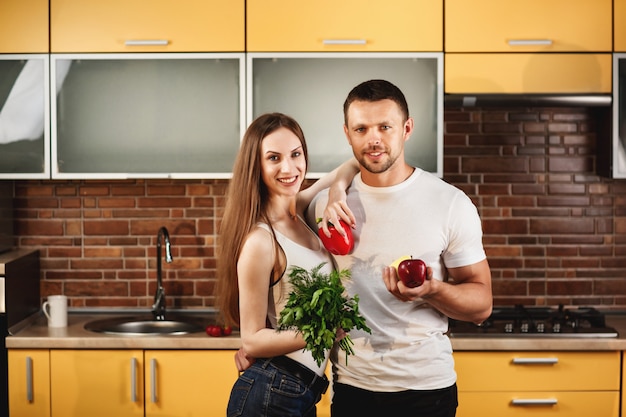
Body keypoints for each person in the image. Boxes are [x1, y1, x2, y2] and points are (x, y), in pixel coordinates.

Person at [306, 79, 493, 417]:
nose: (373, 138)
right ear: (347, 134)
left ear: (406, 129)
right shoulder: (326, 207)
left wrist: (431, 290)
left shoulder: (449, 203)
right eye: (361, 128)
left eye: (385, 127)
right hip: (351, 388)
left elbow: (481, 305)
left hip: (427, 391)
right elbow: (276, 248)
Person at [215, 112, 358, 417]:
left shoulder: (301, 211)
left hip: (301, 392)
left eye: (296, 154)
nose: (288, 167)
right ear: (257, 166)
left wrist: (335, 190)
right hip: (271, 391)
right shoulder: (260, 240)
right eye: (274, 158)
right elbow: (252, 340)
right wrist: (323, 330)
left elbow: (353, 164)